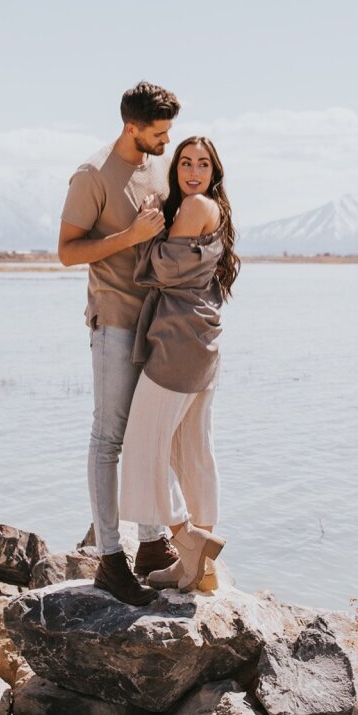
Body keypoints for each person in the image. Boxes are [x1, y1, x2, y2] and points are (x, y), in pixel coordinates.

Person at [58, 81, 184, 605]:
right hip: (113, 321)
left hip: (160, 322)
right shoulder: (91, 174)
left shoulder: (159, 164)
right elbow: (67, 252)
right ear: (132, 127)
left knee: (150, 435)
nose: (167, 139)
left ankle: (153, 545)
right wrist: (128, 238)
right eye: (159, 131)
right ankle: (111, 558)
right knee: (109, 438)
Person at [118, 135, 240, 593]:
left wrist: (146, 229)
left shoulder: (195, 208)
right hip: (199, 340)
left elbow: (160, 269)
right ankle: (200, 569)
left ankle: (186, 537)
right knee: (192, 449)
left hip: (178, 344)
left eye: (202, 164)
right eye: (185, 163)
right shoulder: (212, 211)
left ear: (214, 172)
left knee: (144, 445)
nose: (192, 171)